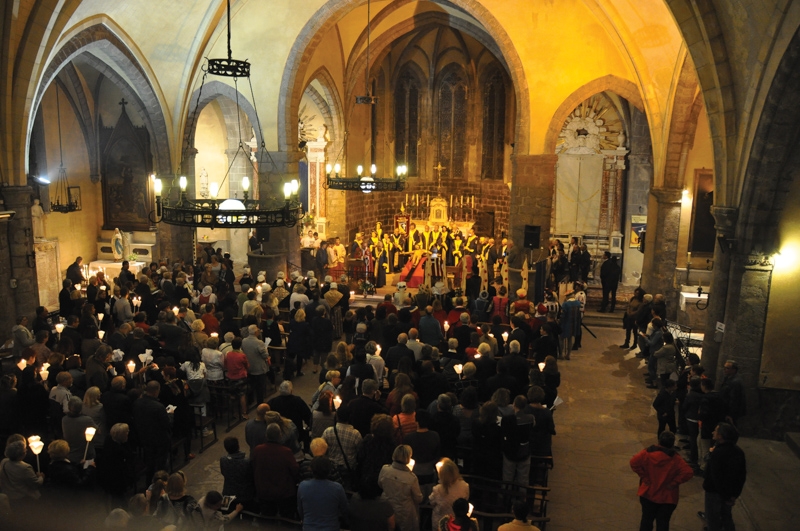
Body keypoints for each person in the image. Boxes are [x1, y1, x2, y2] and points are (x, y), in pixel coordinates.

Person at [630, 431, 693, 531]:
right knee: (663, 524)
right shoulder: (676, 459)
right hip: (667, 497)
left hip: (648, 493)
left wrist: (645, 477)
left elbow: (633, 462)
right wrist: (674, 483)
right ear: (672, 444)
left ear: (659, 441)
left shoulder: (647, 453)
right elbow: (688, 472)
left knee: (646, 521)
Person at [700, 422, 747, 531]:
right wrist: (734, 495)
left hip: (715, 492)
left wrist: (725, 496)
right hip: (729, 493)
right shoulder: (738, 451)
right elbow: (741, 476)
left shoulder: (719, 453)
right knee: (726, 517)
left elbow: (716, 477)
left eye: (715, 431)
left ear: (721, 436)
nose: (713, 432)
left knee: (713, 520)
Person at [253, 423, 300, 517]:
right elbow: (295, 470)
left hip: (264, 491)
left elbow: (254, 466)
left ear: (266, 435)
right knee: (287, 517)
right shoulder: (286, 451)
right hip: (284, 492)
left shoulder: (258, 450)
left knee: (268, 518)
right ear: (280, 436)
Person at [297, 456, 349, 531]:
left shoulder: (302, 486)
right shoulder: (337, 488)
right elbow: (345, 510)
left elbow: (300, 510)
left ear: (312, 470)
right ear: (329, 470)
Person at [378, 445, 423, 531]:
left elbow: (380, 484)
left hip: (387, 507)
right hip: (404, 511)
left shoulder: (385, 469)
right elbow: (418, 499)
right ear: (408, 458)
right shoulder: (411, 477)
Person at [0, 438, 43, 507]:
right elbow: (35, 484)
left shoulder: (4, 462)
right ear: (22, 454)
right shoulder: (25, 467)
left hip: (10, 496)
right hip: (24, 498)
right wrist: (41, 477)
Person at [429, 458, 470, 526]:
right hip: (457, 523)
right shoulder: (465, 486)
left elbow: (431, 502)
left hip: (440, 523)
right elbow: (465, 500)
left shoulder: (438, 489)